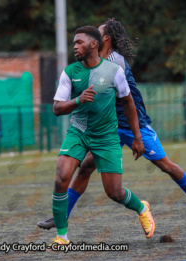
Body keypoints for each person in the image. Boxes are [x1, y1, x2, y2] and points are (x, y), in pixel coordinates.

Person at [38, 18, 186, 232]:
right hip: (109, 127)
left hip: (133, 123)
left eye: (97, 33)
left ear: (104, 39)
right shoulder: (90, 61)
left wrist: (137, 137)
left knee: (165, 165)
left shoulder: (115, 62)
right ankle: (61, 215)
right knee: (85, 168)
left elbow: (126, 101)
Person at [49, 25, 155, 245]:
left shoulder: (114, 71)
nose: (75, 47)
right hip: (78, 132)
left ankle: (141, 208)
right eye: (74, 43)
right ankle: (62, 237)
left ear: (94, 44)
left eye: (79, 42)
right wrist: (78, 100)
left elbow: (128, 103)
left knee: (114, 192)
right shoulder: (70, 72)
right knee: (61, 178)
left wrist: (137, 138)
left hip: (106, 137)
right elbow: (57, 108)